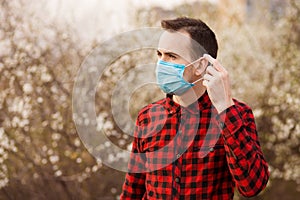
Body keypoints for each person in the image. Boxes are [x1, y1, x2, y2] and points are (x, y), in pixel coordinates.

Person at [120, 17, 269, 199]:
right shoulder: (148, 116)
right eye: (160, 55)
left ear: (200, 65)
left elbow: (252, 186)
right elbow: (132, 190)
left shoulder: (237, 114)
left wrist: (225, 108)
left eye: (172, 56)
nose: (161, 64)